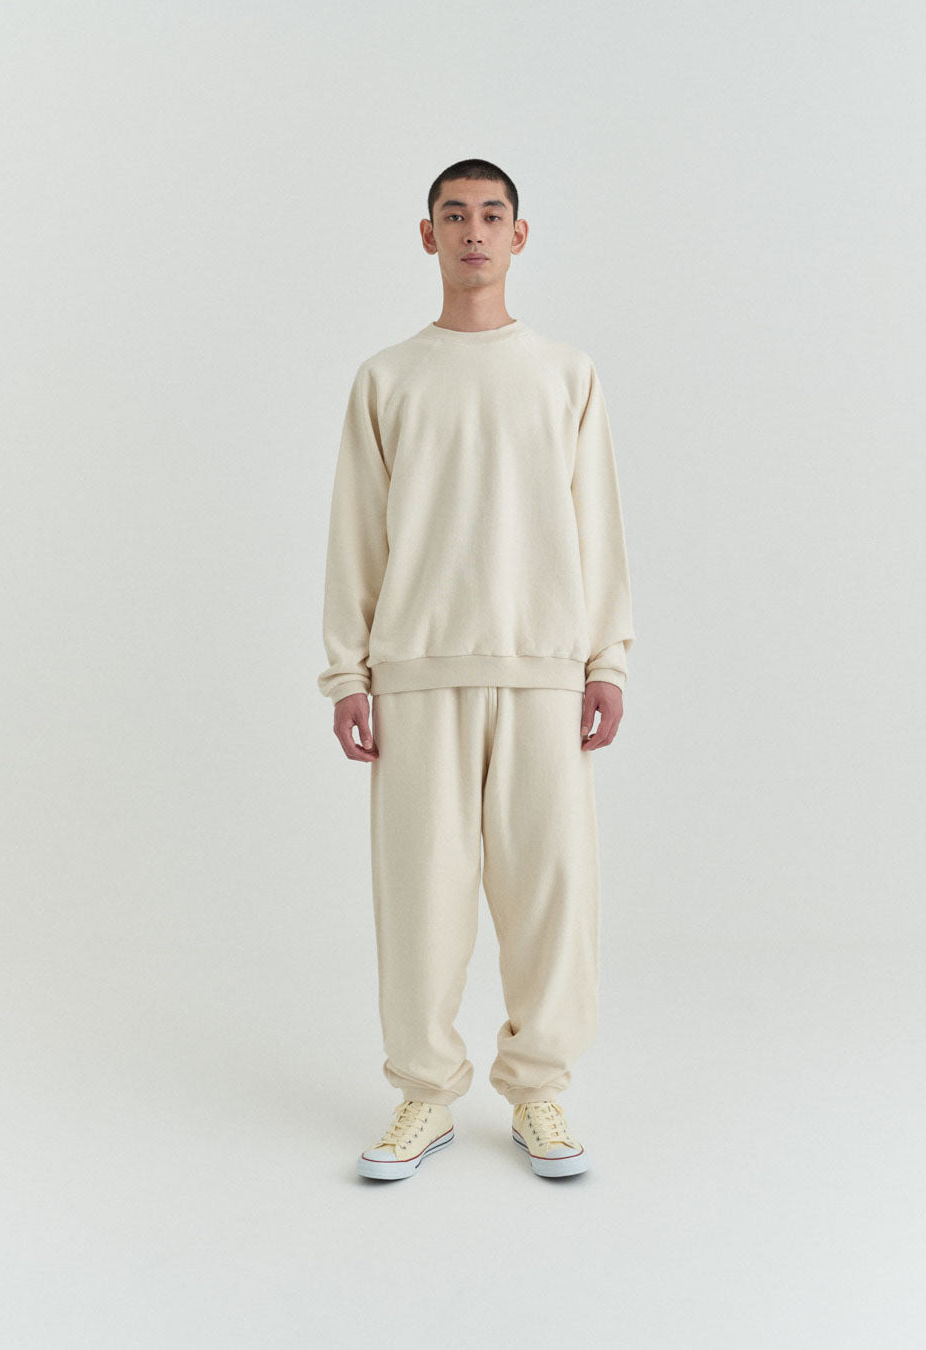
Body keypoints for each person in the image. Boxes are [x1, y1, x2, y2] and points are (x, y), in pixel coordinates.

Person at [317, 158, 635, 1181]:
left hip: (544, 669)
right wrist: (348, 675)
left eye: (491, 215)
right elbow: (357, 533)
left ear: (519, 234)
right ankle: (425, 1096)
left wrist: (607, 660)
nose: (473, 232)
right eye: (453, 216)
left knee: (551, 894)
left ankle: (538, 1094)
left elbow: (597, 524)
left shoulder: (565, 373)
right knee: (422, 898)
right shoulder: (388, 378)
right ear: (427, 235)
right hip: (416, 673)